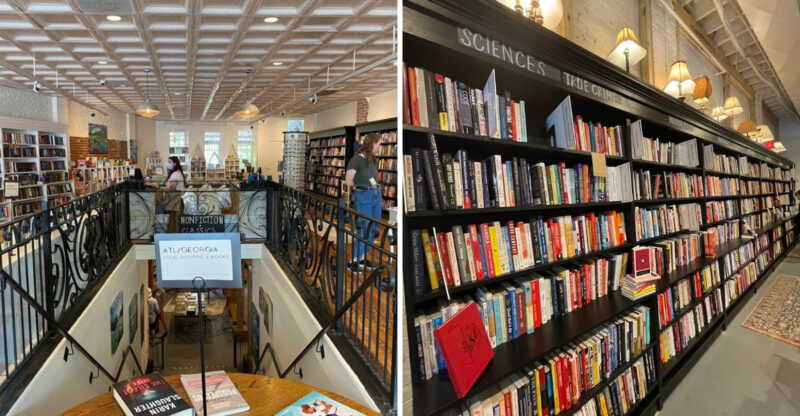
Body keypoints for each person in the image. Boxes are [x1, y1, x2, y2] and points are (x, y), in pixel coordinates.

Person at [344, 133, 382, 273]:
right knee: (364, 229)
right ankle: (353, 261)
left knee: (374, 229)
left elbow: (373, 178)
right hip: (364, 195)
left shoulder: (373, 159)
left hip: (376, 195)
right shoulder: (356, 159)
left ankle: (362, 258)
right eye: (379, 144)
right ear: (372, 143)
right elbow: (349, 181)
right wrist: (361, 187)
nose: (380, 146)